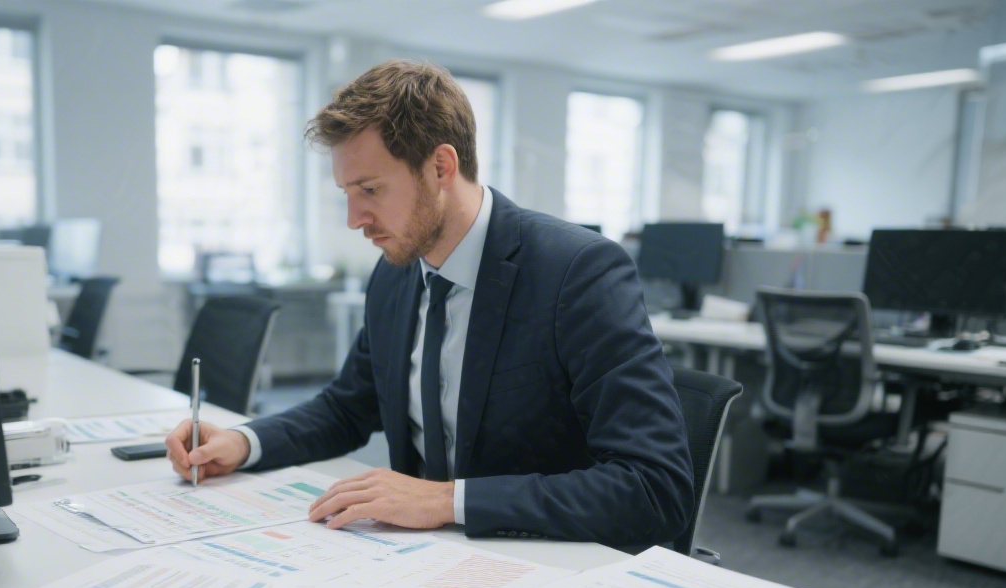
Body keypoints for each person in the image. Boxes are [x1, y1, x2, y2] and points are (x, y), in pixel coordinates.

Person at [165, 60, 693, 547]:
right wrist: (243, 441)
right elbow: (349, 406)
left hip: (540, 561)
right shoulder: (397, 271)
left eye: (370, 189)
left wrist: (447, 501)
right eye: (346, 193)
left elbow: (654, 488)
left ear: (441, 167)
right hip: (421, 558)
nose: (354, 219)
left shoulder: (576, 272)